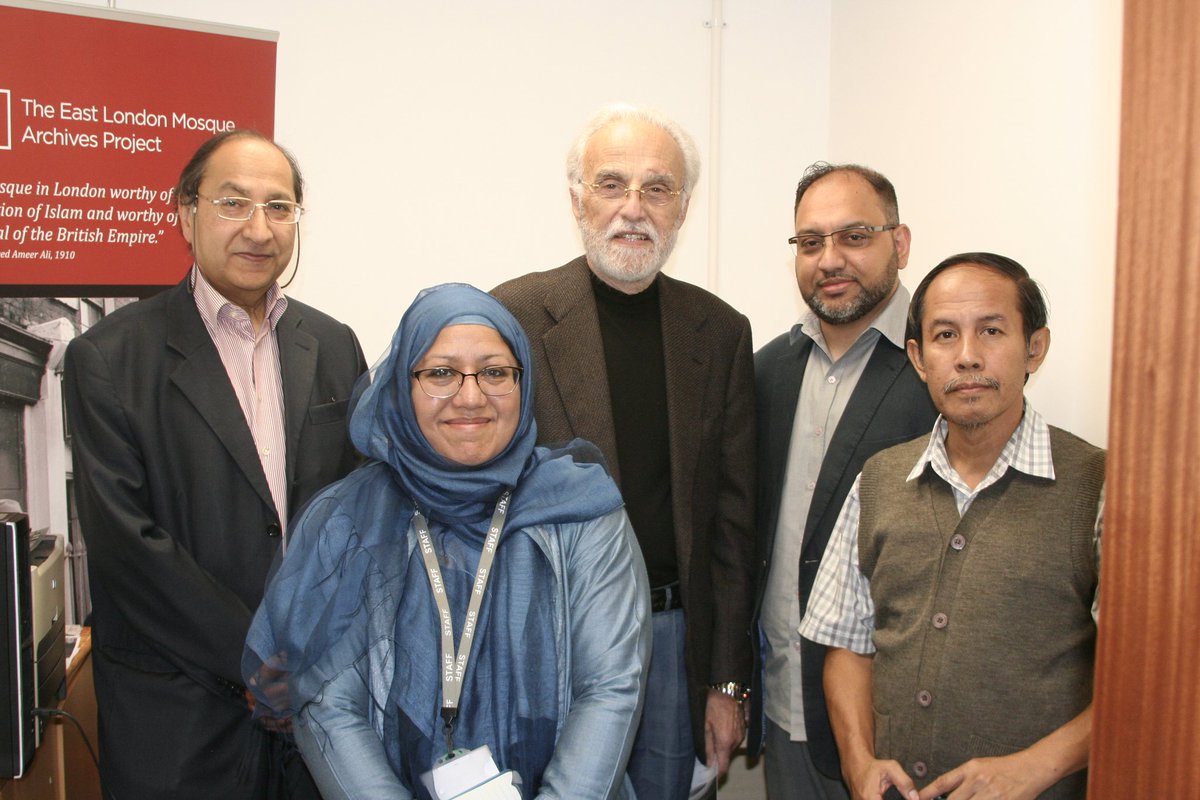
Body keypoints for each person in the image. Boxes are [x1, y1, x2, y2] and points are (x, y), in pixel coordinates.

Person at [243, 283, 651, 800]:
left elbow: (610, 688)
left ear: (524, 382)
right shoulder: (348, 520)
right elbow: (328, 704)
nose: (471, 396)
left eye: (495, 372)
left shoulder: (583, 510)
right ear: (402, 385)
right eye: (440, 373)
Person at [63, 129, 367, 799]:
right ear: (186, 212)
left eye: (279, 207)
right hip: (178, 714)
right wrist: (257, 656)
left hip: (316, 711)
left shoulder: (333, 344)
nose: (259, 228)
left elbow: (361, 508)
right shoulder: (109, 358)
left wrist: (316, 652)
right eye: (233, 203)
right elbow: (127, 547)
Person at [491, 103, 756, 799]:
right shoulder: (511, 317)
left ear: (683, 207)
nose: (633, 208)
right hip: (545, 640)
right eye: (611, 184)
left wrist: (728, 682)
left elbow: (733, 527)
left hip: (672, 645)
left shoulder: (720, 332)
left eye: (657, 188)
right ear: (577, 199)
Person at [799, 253, 1105, 800]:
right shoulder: (879, 479)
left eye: (991, 331)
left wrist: (1032, 769)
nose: (967, 357)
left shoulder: (1098, 486)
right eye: (945, 335)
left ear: (1035, 347)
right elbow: (846, 643)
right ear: (919, 358)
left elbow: (1147, 680)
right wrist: (859, 761)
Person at [749, 163, 938, 798]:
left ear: (900, 242)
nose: (830, 259)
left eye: (855, 236)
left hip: (899, 728)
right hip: (786, 709)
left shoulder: (942, 370)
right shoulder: (767, 371)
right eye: (811, 242)